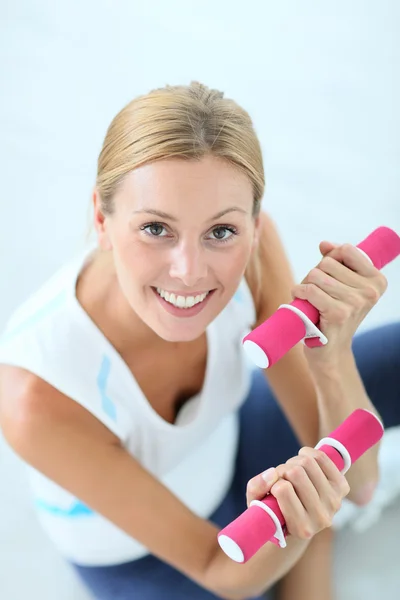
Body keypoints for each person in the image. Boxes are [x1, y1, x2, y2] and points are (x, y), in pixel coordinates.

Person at [0, 81, 399, 600]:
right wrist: (305, 522)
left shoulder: (255, 253)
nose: (188, 272)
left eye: (221, 232)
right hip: (145, 556)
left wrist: (331, 355)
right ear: (101, 218)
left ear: (253, 226)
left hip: (234, 446)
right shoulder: (35, 395)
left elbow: (361, 484)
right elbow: (217, 567)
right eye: (155, 229)